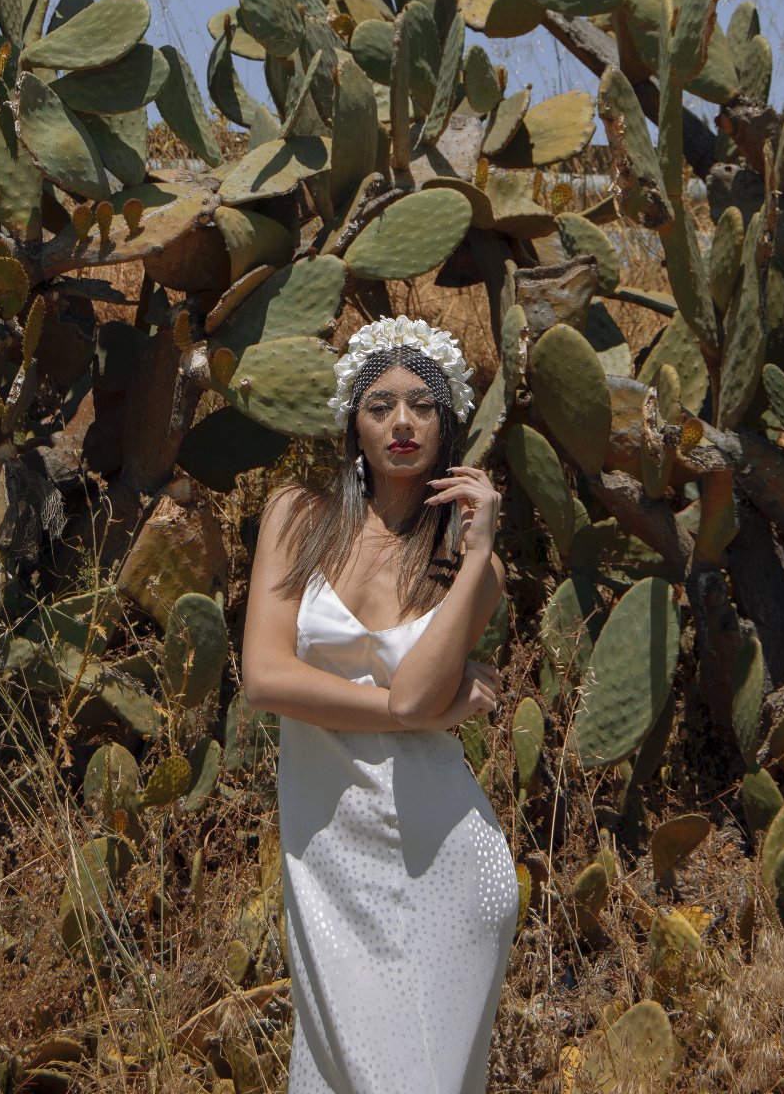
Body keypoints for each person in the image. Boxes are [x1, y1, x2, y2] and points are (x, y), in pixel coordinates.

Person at [241, 315, 519, 1094]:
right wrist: (408, 711)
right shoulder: (297, 516)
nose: (401, 423)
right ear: (352, 424)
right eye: (380, 405)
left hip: (446, 858)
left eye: (422, 405)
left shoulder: (473, 573)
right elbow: (264, 678)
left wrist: (477, 552)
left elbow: (416, 693)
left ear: (448, 420)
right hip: (328, 857)